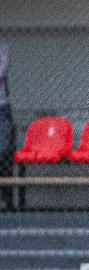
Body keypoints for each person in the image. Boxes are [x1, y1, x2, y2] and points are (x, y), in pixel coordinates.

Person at [0, 39, 14, 211]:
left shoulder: (3, 46)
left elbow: (1, 71)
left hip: (1, 106)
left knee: (3, 151)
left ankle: (5, 198)